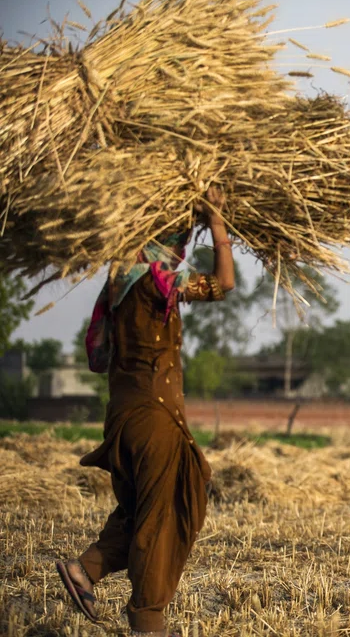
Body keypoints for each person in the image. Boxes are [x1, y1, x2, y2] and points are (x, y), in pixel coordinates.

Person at [55, 187, 235, 637]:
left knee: (140, 509)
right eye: (178, 241)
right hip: (156, 417)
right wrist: (217, 224)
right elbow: (223, 285)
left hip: (122, 417)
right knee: (172, 507)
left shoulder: (118, 283)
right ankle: (148, 620)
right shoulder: (158, 279)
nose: (180, 251)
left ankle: (86, 569)